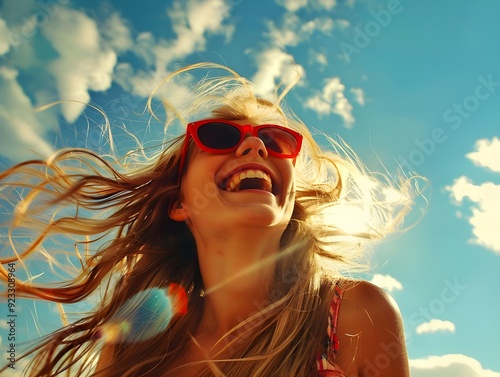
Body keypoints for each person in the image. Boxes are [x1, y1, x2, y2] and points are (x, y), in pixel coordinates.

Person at [0, 63, 415, 376]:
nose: (254, 144)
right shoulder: (135, 346)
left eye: (277, 141)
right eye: (219, 137)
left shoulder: (354, 315)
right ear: (179, 204)